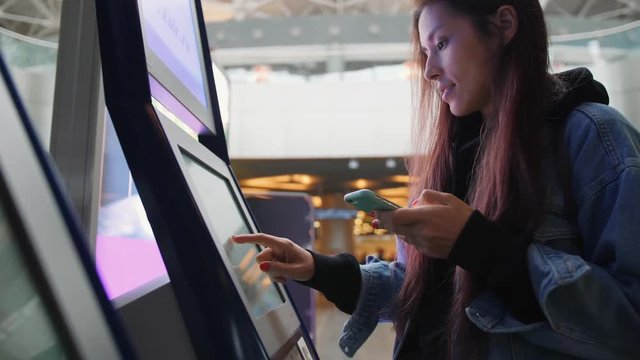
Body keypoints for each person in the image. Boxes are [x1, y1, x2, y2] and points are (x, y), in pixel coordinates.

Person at [233, 0, 640, 358]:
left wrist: (482, 247)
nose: (428, 70)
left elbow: (628, 321)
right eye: (425, 52)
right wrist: (318, 269)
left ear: (503, 25)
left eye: (442, 44)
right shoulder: (456, 156)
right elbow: (423, 291)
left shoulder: (593, 137)